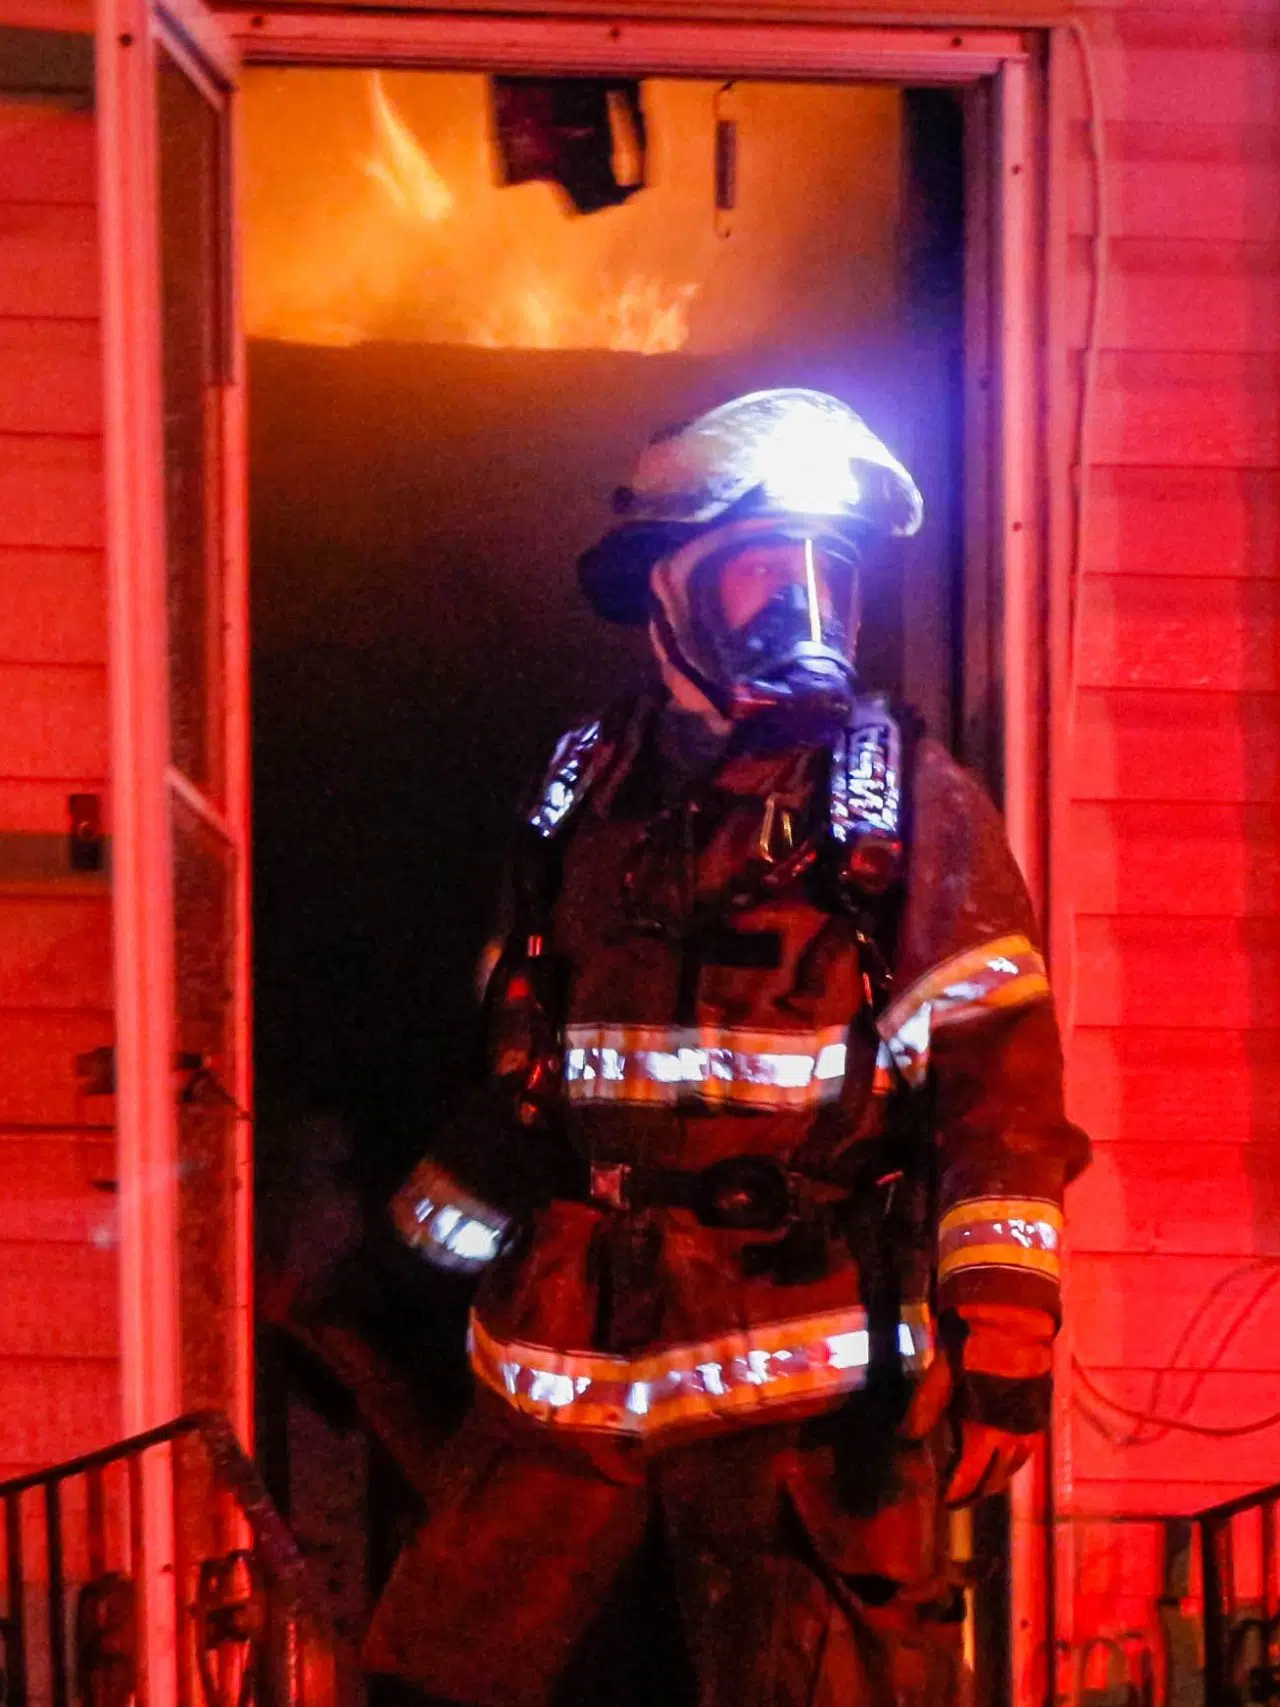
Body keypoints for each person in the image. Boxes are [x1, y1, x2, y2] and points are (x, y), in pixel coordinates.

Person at [364, 389, 1090, 1707]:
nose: (803, 605)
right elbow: (529, 1070)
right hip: (570, 1385)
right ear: (670, 586)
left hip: (805, 1393)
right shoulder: (583, 789)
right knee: (452, 1672)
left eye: (832, 570)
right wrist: (403, 1268)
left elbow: (999, 1080)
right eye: (766, 566)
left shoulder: (901, 797)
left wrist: (1009, 1333)